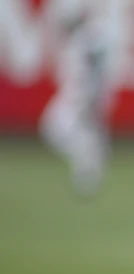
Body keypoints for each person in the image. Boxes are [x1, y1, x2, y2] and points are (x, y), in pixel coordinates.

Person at [39, 1, 112, 198]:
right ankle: (89, 168)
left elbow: (95, 67)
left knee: (59, 128)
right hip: (79, 95)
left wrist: (91, 97)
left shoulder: (87, 38)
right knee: (82, 135)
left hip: (80, 97)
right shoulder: (79, 40)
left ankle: (88, 172)